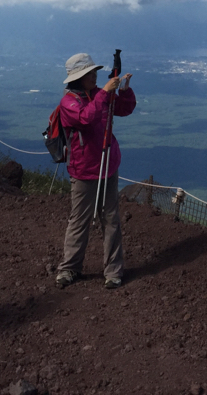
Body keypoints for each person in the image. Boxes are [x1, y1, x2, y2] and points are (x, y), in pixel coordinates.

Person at [55, 53, 135, 290]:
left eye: (94, 72)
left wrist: (125, 91)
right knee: (79, 220)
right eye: (90, 73)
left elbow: (124, 109)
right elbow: (86, 118)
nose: (95, 76)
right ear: (79, 78)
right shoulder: (68, 102)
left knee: (110, 219)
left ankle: (114, 271)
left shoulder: (98, 95)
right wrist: (105, 92)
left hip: (108, 165)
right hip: (84, 171)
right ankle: (69, 268)